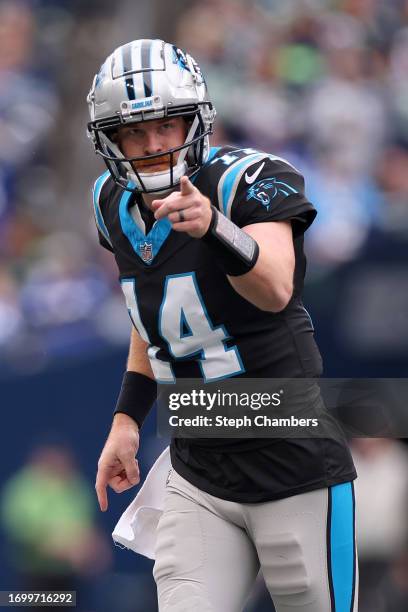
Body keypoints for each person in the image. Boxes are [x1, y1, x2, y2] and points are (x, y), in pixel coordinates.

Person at [87, 39, 358, 612]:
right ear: (110, 141)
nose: (153, 144)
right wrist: (127, 416)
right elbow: (151, 313)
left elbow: (277, 286)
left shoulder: (246, 180)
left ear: (196, 119)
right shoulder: (111, 202)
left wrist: (214, 227)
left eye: (166, 124)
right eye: (133, 133)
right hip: (199, 470)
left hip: (292, 462)